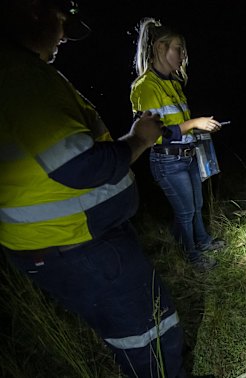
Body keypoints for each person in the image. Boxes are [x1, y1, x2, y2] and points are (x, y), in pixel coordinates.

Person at [0, 1, 187, 376]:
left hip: (64, 244)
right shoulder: (21, 76)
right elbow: (80, 165)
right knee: (150, 334)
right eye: (62, 23)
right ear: (35, 12)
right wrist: (137, 140)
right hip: (80, 246)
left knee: (137, 334)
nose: (64, 37)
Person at [130, 17, 225, 271]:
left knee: (196, 206)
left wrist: (201, 128)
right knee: (184, 212)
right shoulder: (145, 86)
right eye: (178, 49)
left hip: (188, 155)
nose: (183, 55)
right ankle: (191, 258)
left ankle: (203, 242)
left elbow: (181, 124)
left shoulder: (173, 82)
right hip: (167, 161)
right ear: (160, 48)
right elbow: (155, 135)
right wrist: (195, 123)